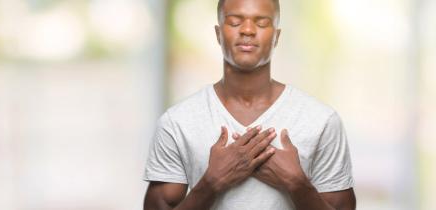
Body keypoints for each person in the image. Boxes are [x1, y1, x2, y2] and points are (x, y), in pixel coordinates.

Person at [143, 0, 356, 209]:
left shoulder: (321, 121)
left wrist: (296, 183)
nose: (247, 30)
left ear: (276, 36)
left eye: (261, 23)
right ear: (218, 34)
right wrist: (211, 183)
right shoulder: (177, 122)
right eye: (235, 22)